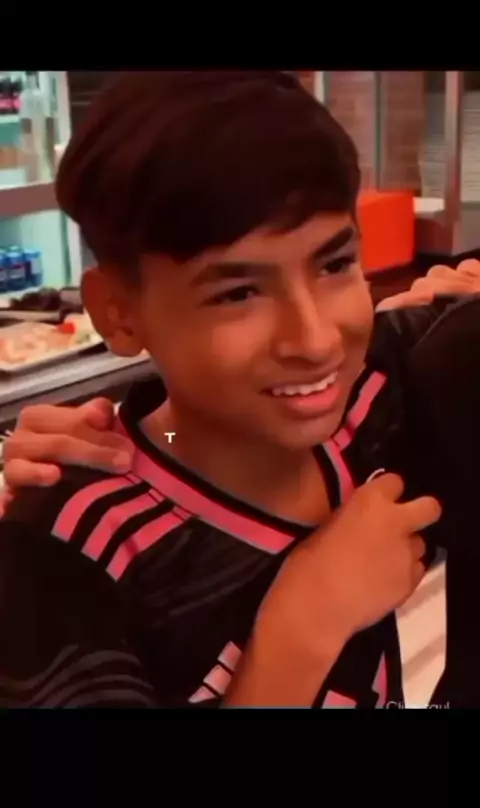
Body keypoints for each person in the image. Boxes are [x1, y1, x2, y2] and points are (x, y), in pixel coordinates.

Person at [0, 71, 479, 709]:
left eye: (335, 264)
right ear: (118, 312)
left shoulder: (373, 398)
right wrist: (303, 630)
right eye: (238, 293)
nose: (315, 339)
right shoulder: (72, 550)